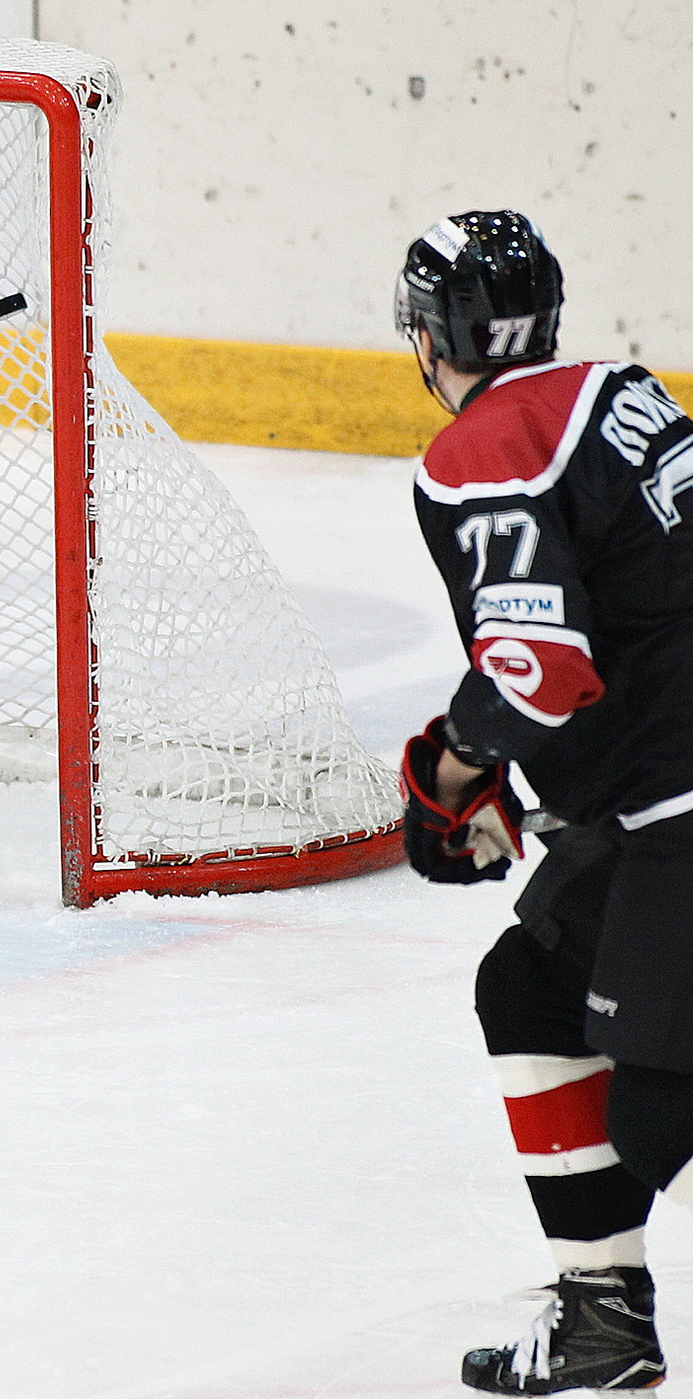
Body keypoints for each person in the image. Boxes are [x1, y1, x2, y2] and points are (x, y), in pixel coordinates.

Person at [396, 209, 693, 1394]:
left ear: (432, 338)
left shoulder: (485, 448)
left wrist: (458, 768)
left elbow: (541, 666)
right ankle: (603, 1319)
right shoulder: (623, 393)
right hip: (652, 808)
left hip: (677, 814)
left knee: (663, 1095)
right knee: (532, 984)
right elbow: (631, 616)